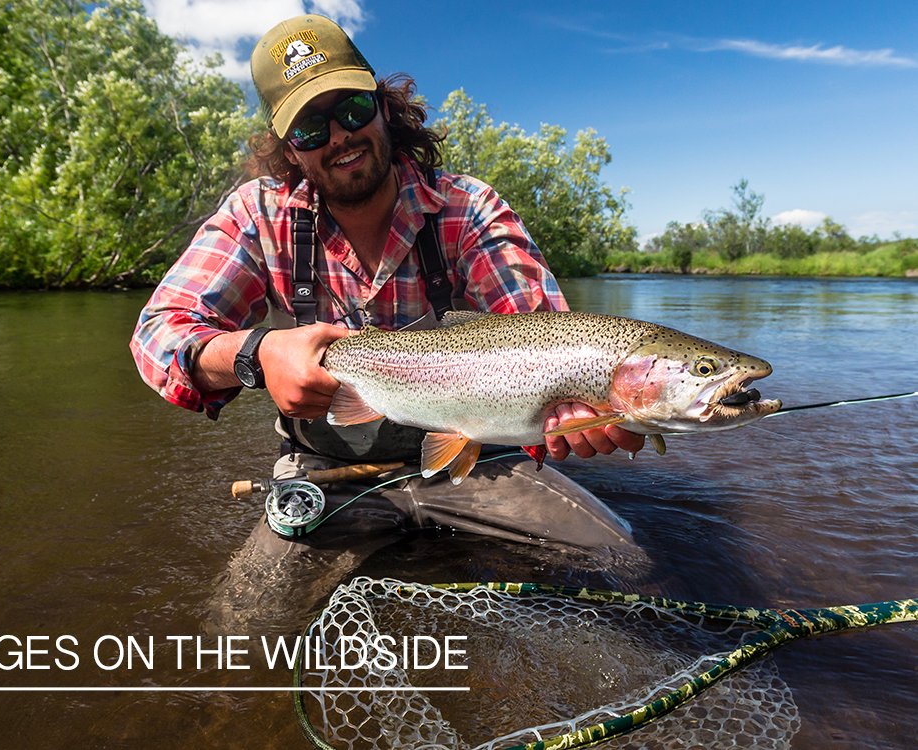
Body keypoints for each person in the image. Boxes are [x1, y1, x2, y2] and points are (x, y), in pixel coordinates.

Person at [130, 16, 646, 628]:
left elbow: (543, 330)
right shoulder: (256, 216)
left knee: (625, 568)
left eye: (350, 109)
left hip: (479, 458)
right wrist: (258, 354)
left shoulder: (466, 208)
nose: (338, 137)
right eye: (309, 127)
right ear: (287, 144)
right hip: (329, 470)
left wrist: (578, 404)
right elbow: (159, 334)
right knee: (240, 628)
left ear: (381, 104)